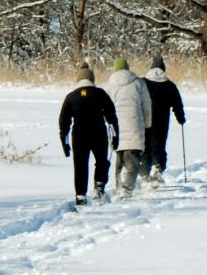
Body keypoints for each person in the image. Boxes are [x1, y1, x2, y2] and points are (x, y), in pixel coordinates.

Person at [58, 63, 118, 206]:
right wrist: (116, 136)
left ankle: (80, 196)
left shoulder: (71, 97)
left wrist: (64, 142)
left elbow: (63, 121)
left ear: (78, 80)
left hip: (79, 135)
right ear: (92, 79)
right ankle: (99, 187)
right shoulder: (100, 93)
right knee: (102, 161)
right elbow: (111, 116)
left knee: (80, 165)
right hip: (98, 132)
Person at [106, 58, 152, 196]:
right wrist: (148, 123)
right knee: (132, 157)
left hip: (116, 125)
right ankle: (127, 186)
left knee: (119, 155)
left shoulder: (109, 85)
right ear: (127, 67)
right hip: (134, 123)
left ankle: (118, 184)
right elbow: (147, 106)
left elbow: (106, 107)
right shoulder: (139, 83)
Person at [143, 55, 186, 182]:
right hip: (162, 121)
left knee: (145, 145)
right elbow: (177, 104)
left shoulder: (143, 82)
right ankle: (158, 167)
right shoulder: (169, 85)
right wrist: (181, 118)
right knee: (159, 145)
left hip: (145, 120)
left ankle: (144, 171)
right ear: (163, 69)